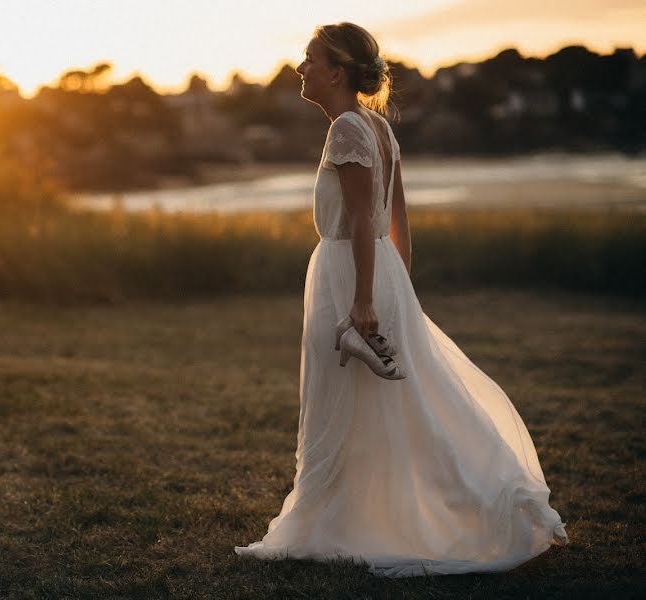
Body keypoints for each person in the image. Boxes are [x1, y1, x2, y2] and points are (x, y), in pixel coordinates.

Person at [233, 22, 569, 577]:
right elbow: (398, 220)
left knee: (344, 401)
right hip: (381, 270)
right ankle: (359, 516)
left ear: (336, 72)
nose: (301, 68)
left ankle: (360, 519)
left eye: (310, 59)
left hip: (350, 273)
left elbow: (366, 222)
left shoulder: (346, 128)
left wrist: (365, 302)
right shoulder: (379, 129)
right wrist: (398, 287)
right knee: (387, 405)